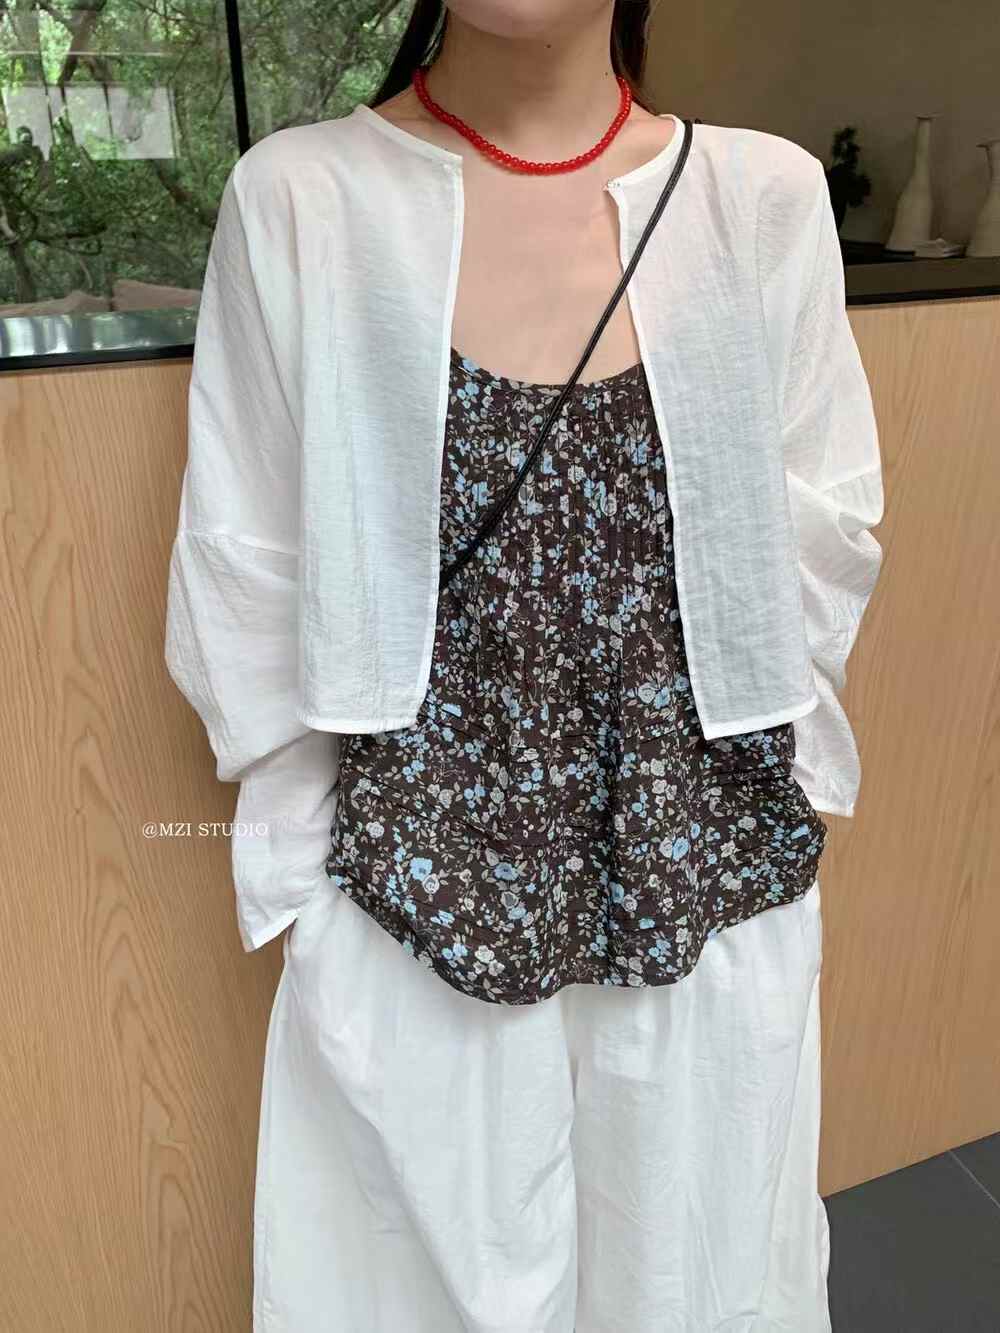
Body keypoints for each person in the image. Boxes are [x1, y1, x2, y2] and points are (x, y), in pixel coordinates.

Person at [165, 2, 885, 1329]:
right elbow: (244, 573)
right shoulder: (302, 202)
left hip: (705, 896)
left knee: (704, 1290)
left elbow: (820, 548)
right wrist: (316, 876)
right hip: (413, 906)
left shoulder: (763, 201)